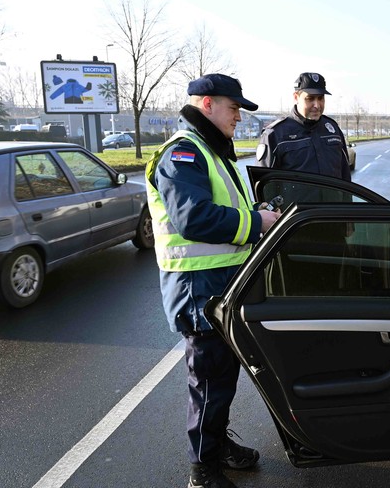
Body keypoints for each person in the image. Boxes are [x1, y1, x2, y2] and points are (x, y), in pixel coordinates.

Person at [145, 73, 281, 488]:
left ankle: (217, 445)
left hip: (219, 284)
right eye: (233, 107)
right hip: (197, 289)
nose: (239, 117)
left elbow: (226, 208)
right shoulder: (183, 154)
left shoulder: (212, 152)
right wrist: (256, 221)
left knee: (222, 377)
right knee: (208, 382)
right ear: (207, 105)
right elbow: (193, 218)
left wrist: (257, 211)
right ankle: (202, 469)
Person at [256, 72, 351, 181]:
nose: (317, 105)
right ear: (296, 97)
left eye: (320, 98)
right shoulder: (275, 134)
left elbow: (345, 177)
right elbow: (264, 183)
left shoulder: (332, 130)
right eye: (310, 99)